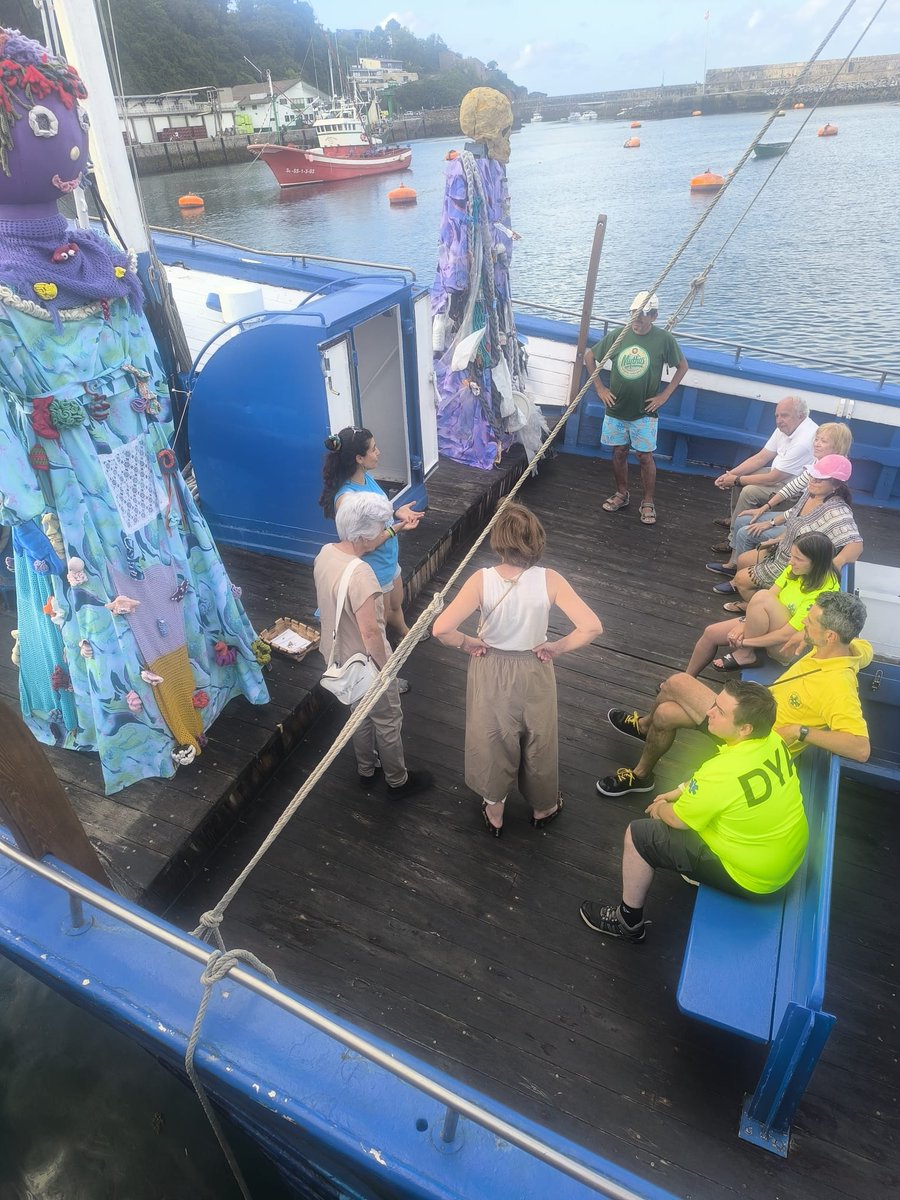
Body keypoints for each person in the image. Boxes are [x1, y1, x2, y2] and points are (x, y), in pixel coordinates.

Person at [580, 681, 809, 944]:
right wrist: (680, 790)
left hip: (755, 881)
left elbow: (678, 820)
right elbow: (714, 784)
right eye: (715, 704)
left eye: (720, 711)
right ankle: (692, 871)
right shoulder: (772, 740)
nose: (710, 712)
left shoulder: (722, 772)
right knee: (693, 778)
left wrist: (661, 808)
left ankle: (627, 921)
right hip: (784, 854)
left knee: (640, 834)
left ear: (745, 729)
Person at [597, 591, 871, 799]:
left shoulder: (837, 685)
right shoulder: (841, 649)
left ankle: (643, 726)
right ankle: (642, 776)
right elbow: (862, 647)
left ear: (831, 636)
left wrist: (801, 732)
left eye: (809, 622)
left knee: (677, 683)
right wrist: (807, 635)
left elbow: (860, 748)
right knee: (667, 715)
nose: (803, 624)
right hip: (749, 712)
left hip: (753, 738)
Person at [432, 503, 602, 836]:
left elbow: (441, 630)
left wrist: (467, 643)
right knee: (540, 738)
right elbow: (591, 627)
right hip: (535, 666)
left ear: (499, 540)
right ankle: (543, 807)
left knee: (493, 737)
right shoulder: (550, 580)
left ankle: (494, 809)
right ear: (536, 540)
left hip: (490, 665)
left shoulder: (481, 580)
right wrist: (556, 647)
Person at [313, 492, 431, 800]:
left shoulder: (325, 554)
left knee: (359, 714)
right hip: (366, 663)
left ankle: (366, 769)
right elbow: (371, 633)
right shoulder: (362, 574)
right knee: (388, 719)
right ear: (366, 533)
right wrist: (386, 671)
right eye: (381, 527)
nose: (384, 532)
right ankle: (397, 780)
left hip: (338, 658)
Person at [319, 427, 424, 687]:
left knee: (396, 605)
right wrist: (397, 527)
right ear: (359, 458)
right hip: (372, 571)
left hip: (389, 561)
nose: (379, 452)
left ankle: (403, 633)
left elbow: (377, 517)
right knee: (375, 631)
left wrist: (397, 512)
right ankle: (386, 679)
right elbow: (361, 546)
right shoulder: (346, 499)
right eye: (373, 449)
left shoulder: (365, 477)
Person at [584, 291, 688, 526]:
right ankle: (622, 493)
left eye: (642, 315)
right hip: (616, 409)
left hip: (645, 412)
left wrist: (665, 395)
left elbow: (682, 366)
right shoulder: (618, 335)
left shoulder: (664, 339)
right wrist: (600, 388)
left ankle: (648, 501)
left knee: (644, 456)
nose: (637, 320)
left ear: (653, 316)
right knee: (619, 452)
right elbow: (590, 356)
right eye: (634, 314)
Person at [714, 455, 863, 604]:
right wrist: (776, 537)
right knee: (743, 560)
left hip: (794, 565)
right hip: (782, 550)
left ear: (835, 485)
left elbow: (856, 544)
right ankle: (761, 599)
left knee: (741, 579)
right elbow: (794, 514)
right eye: (812, 476)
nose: (812, 480)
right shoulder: (811, 494)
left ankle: (758, 608)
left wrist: (835, 564)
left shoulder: (836, 511)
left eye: (819, 479)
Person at [686, 532, 839, 675]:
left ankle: (746, 654)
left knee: (762, 596)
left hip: (787, 647)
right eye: (792, 555)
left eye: (798, 559)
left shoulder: (822, 595)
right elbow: (771, 595)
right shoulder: (795, 569)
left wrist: (745, 642)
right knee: (710, 633)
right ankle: (686, 678)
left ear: (817, 564)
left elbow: (785, 635)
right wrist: (744, 624)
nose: (791, 562)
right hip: (769, 626)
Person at [709, 421, 852, 571]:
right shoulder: (819, 464)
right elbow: (794, 487)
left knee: (746, 533)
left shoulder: (833, 477)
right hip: (795, 516)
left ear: (837, 446)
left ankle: (742, 574)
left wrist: (772, 525)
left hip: (804, 532)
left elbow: (805, 517)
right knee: (742, 519)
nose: (816, 444)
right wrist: (765, 508)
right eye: (817, 439)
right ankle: (734, 563)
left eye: (823, 441)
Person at [708, 395, 817, 556]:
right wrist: (731, 474)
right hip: (779, 474)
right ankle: (735, 519)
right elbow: (761, 457)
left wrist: (736, 480)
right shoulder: (786, 427)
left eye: (784, 415)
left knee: (748, 491)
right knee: (743, 476)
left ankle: (733, 541)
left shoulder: (805, 440)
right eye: (777, 415)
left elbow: (774, 478)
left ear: (801, 416)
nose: (779, 420)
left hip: (791, 489)